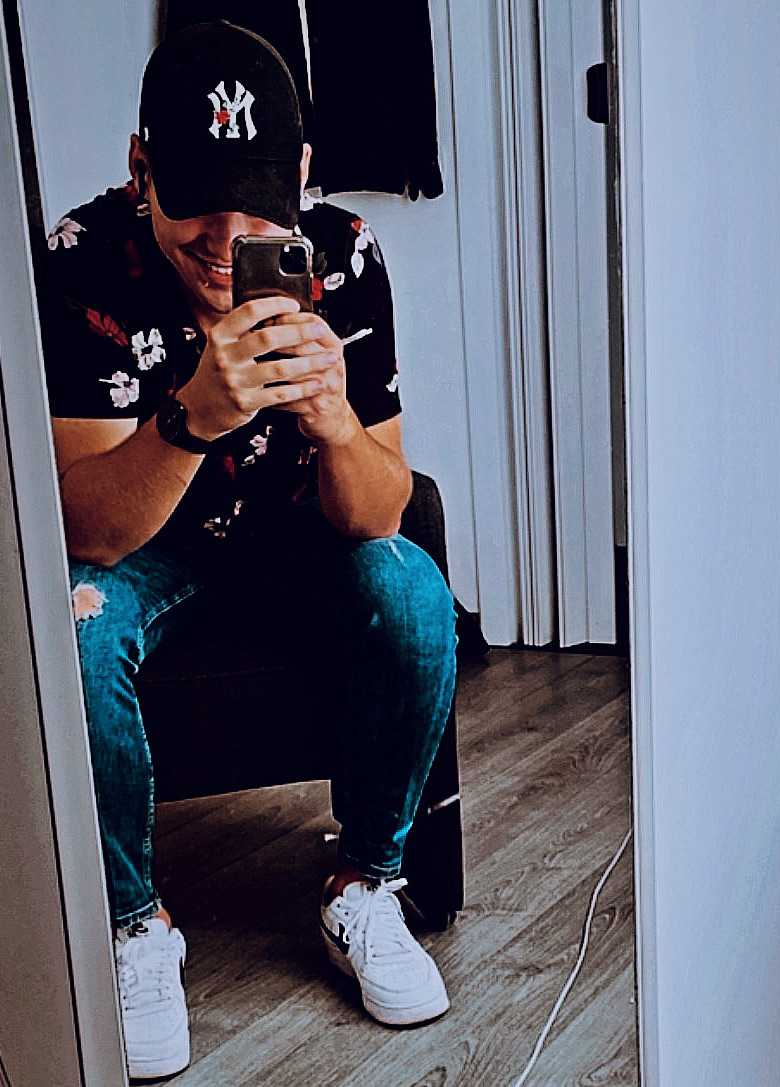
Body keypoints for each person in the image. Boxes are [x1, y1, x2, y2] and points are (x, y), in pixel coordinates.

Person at [40, 20, 457, 1081]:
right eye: (197, 197)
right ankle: (134, 924)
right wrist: (194, 417)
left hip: (298, 535)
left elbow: (382, 511)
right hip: (146, 550)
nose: (227, 237)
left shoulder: (344, 255)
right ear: (142, 169)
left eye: (259, 200)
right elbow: (84, 529)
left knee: (414, 590)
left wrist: (336, 425)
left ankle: (366, 884)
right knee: (71, 623)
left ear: (302, 173)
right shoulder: (82, 258)